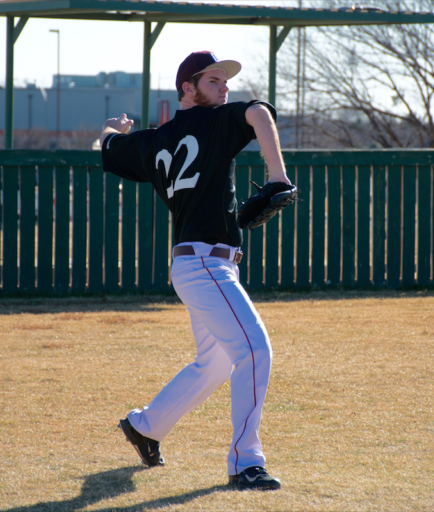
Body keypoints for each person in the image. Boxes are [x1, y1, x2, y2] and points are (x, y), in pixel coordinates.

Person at [99, 51, 291, 491]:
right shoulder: (216, 121)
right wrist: (278, 177)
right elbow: (260, 113)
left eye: (225, 82)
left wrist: (113, 130)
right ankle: (246, 462)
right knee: (255, 351)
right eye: (213, 81)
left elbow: (107, 147)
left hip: (194, 264)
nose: (224, 88)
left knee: (216, 362)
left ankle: (145, 426)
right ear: (188, 87)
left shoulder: (153, 140)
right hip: (206, 264)